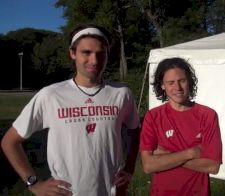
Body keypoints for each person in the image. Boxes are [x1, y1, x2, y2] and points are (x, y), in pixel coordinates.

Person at [1, 24, 140, 196]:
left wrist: (130, 169)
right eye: (86, 52)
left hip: (111, 191)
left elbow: (136, 134)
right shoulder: (51, 95)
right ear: (72, 53)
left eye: (100, 53)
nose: (94, 60)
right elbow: (10, 142)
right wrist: (33, 183)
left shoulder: (121, 93)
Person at [139, 57, 222, 196]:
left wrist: (166, 156)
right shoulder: (153, 116)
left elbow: (213, 166)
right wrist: (190, 153)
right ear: (162, 85)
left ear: (189, 81)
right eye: (171, 82)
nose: (177, 88)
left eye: (182, 81)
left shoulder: (207, 115)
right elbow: (148, 166)